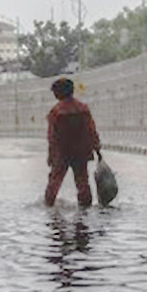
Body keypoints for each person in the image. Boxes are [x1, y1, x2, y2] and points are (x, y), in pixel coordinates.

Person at [45, 77, 102, 207]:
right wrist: (97, 149)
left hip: (62, 153)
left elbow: (52, 137)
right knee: (82, 182)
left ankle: (49, 206)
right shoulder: (83, 109)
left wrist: (51, 155)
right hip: (81, 152)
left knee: (54, 182)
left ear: (58, 93)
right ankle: (85, 208)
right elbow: (91, 130)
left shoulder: (56, 112)